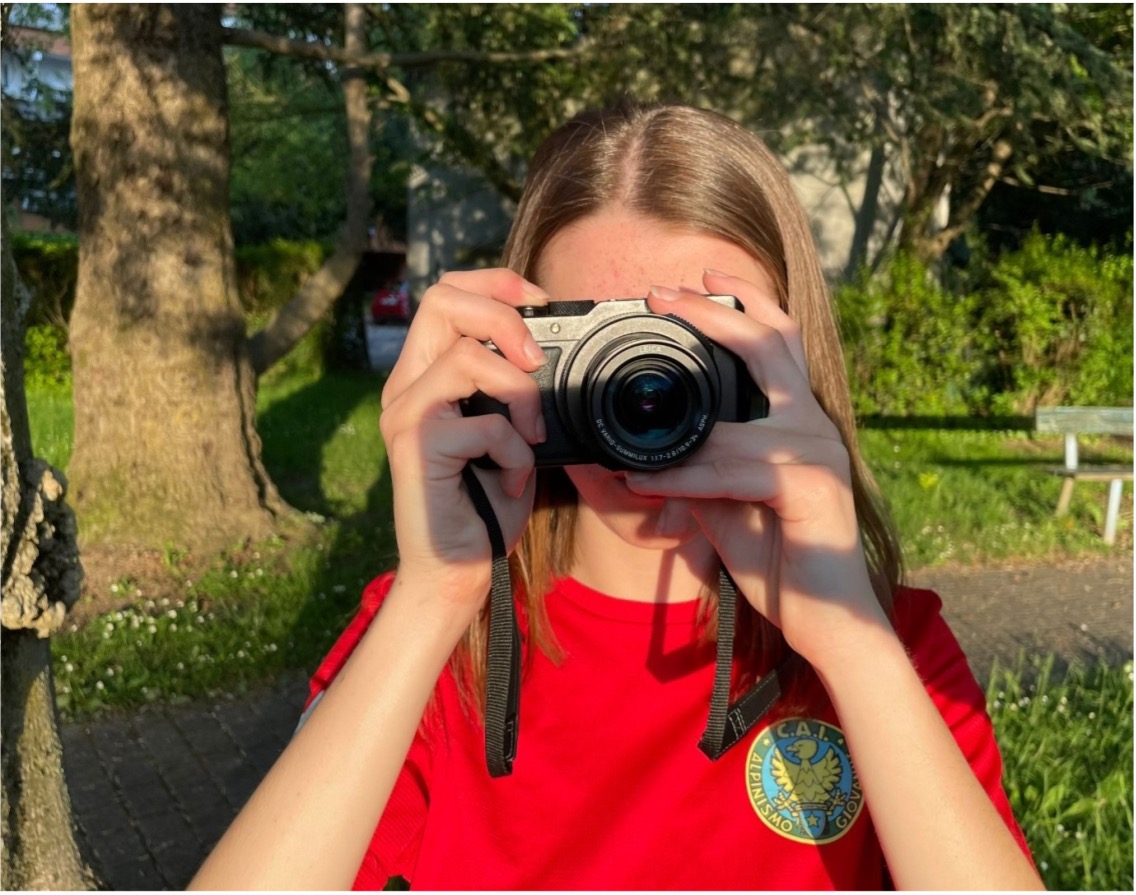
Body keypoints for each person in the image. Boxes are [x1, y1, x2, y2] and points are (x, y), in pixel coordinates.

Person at [190, 103, 1043, 890]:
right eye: (596, 339)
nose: (641, 387)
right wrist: (434, 595)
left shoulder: (886, 642)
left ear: (790, 354)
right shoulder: (436, 638)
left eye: (700, 338)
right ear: (517, 343)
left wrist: (845, 640)